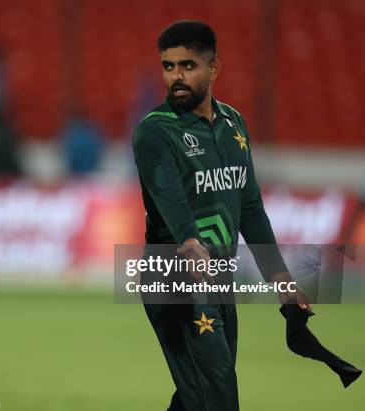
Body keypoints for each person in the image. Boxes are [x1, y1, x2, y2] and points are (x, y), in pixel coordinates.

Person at [132, 20, 311, 411]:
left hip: (219, 273)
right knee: (217, 395)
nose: (176, 77)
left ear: (213, 69)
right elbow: (169, 195)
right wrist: (190, 240)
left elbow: (249, 207)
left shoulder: (233, 124)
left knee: (200, 391)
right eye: (168, 66)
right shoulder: (155, 131)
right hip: (175, 273)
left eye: (187, 66)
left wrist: (280, 277)